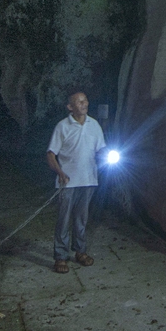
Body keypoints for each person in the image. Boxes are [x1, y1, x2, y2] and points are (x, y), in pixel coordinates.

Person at [46, 91, 107, 273]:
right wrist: (60, 172)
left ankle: (80, 252)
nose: (84, 103)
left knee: (82, 219)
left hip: (88, 181)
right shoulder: (62, 127)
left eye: (85, 100)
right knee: (64, 220)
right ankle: (60, 256)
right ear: (70, 107)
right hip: (67, 182)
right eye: (79, 102)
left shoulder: (94, 125)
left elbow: (101, 149)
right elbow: (50, 154)